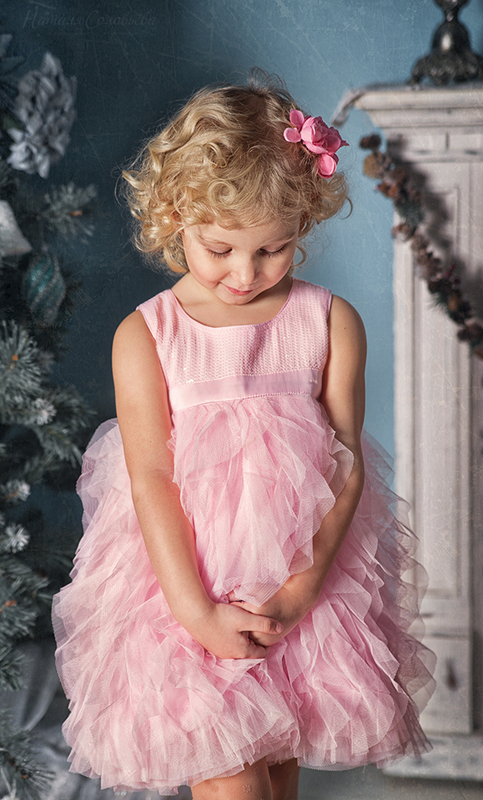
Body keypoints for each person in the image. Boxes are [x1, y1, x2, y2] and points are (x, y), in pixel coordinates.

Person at [52, 73, 436, 800]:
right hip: (186, 596)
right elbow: (149, 479)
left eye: (273, 249)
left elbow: (346, 465)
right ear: (175, 217)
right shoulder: (148, 335)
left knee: (277, 778)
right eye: (220, 248)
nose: (245, 272)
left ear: (304, 222)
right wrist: (196, 613)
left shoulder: (328, 322)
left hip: (300, 595)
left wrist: (298, 594)